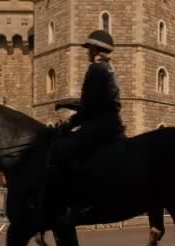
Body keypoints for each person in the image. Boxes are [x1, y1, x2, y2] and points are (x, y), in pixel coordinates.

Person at [51, 30, 125, 224]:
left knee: (64, 152)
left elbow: (88, 107)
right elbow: (93, 101)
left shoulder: (96, 70)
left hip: (99, 125)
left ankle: (78, 204)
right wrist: (67, 103)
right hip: (111, 123)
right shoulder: (108, 68)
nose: (87, 52)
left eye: (88, 49)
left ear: (94, 49)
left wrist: (68, 125)